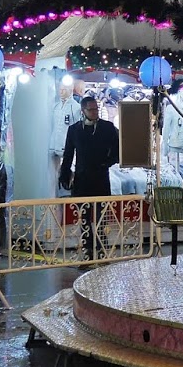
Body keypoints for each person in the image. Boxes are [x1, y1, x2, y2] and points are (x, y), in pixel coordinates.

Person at [59, 96, 120, 259]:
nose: (94, 112)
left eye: (96, 109)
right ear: (83, 110)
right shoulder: (74, 130)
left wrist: (107, 162)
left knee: (101, 217)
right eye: (91, 110)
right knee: (84, 217)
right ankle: (87, 249)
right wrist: (64, 174)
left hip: (101, 178)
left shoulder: (107, 127)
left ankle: (102, 249)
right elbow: (68, 155)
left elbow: (118, 149)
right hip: (82, 179)